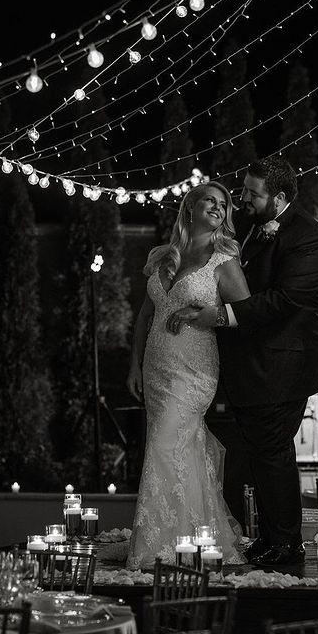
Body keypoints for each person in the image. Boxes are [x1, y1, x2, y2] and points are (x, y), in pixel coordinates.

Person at [167, 156, 318, 566]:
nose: (243, 200)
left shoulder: (308, 237)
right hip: (253, 368)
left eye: (252, 194)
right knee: (262, 453)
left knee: (273, 452)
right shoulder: (253, 228)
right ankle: (272, 538)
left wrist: (219, 316)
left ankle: (287, 544)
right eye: (243, 190)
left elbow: (288, 301)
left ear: (278, 198)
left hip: (282, 367)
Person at [125, 181, 250, 569]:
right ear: (191, 208)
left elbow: (246, 314)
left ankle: (157, 544)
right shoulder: (165, 255)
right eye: (209, 201)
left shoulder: (224, 258)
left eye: (223, 203)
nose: (218, 207)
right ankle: (192, 537)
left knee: (165, 444)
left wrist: (203, 316)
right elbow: (147, 314)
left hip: (194, 368)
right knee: (178, 448)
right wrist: (134, 364)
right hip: (156, 367)